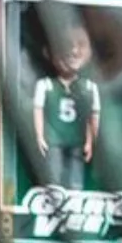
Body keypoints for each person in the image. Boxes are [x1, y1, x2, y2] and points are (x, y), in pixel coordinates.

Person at [32, 18, 100, 191]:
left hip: (77, 140)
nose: (74, 51)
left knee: (75, 179)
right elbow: (38, 111)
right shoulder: (46, 85)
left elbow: (91, 117)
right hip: (54, 140)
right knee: (54, 177)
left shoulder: (88, 87)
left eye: (80, 45)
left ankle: (73, 197)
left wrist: (90, 141)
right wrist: (40, 136)